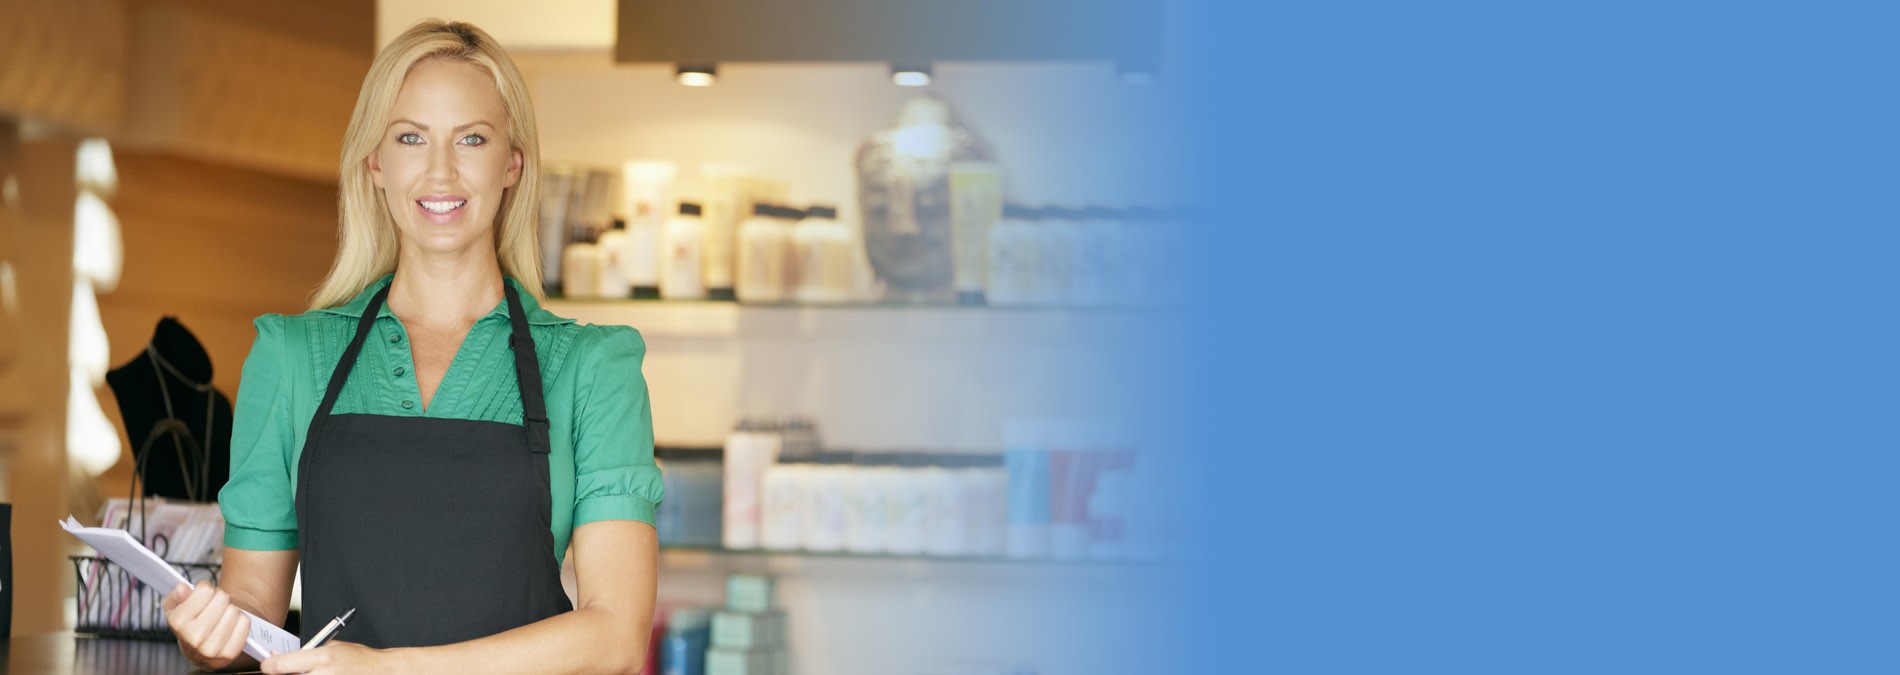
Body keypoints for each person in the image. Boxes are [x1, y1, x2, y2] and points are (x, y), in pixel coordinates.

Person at [160, 19, 661, 674]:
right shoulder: (289, 355)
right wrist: (209, 632)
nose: (440, 170)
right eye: (410, 137)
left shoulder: (593, 368)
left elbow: (616, 637)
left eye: (472, 139)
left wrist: (391, 666)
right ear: (376, 163)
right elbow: (253, 597)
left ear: (512, 162)